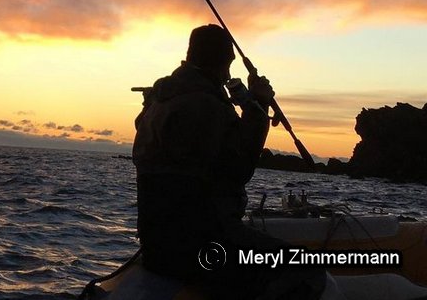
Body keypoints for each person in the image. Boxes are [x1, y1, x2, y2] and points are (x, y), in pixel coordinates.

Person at [132, 24, 326, 300]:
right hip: (201, 249)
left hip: (157, 250)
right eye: (228, 65)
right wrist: (257, 105)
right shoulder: (206, 106)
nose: (228, 75)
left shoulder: (159, 101)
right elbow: (238, 170)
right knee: (307, 268)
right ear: (224, 61)